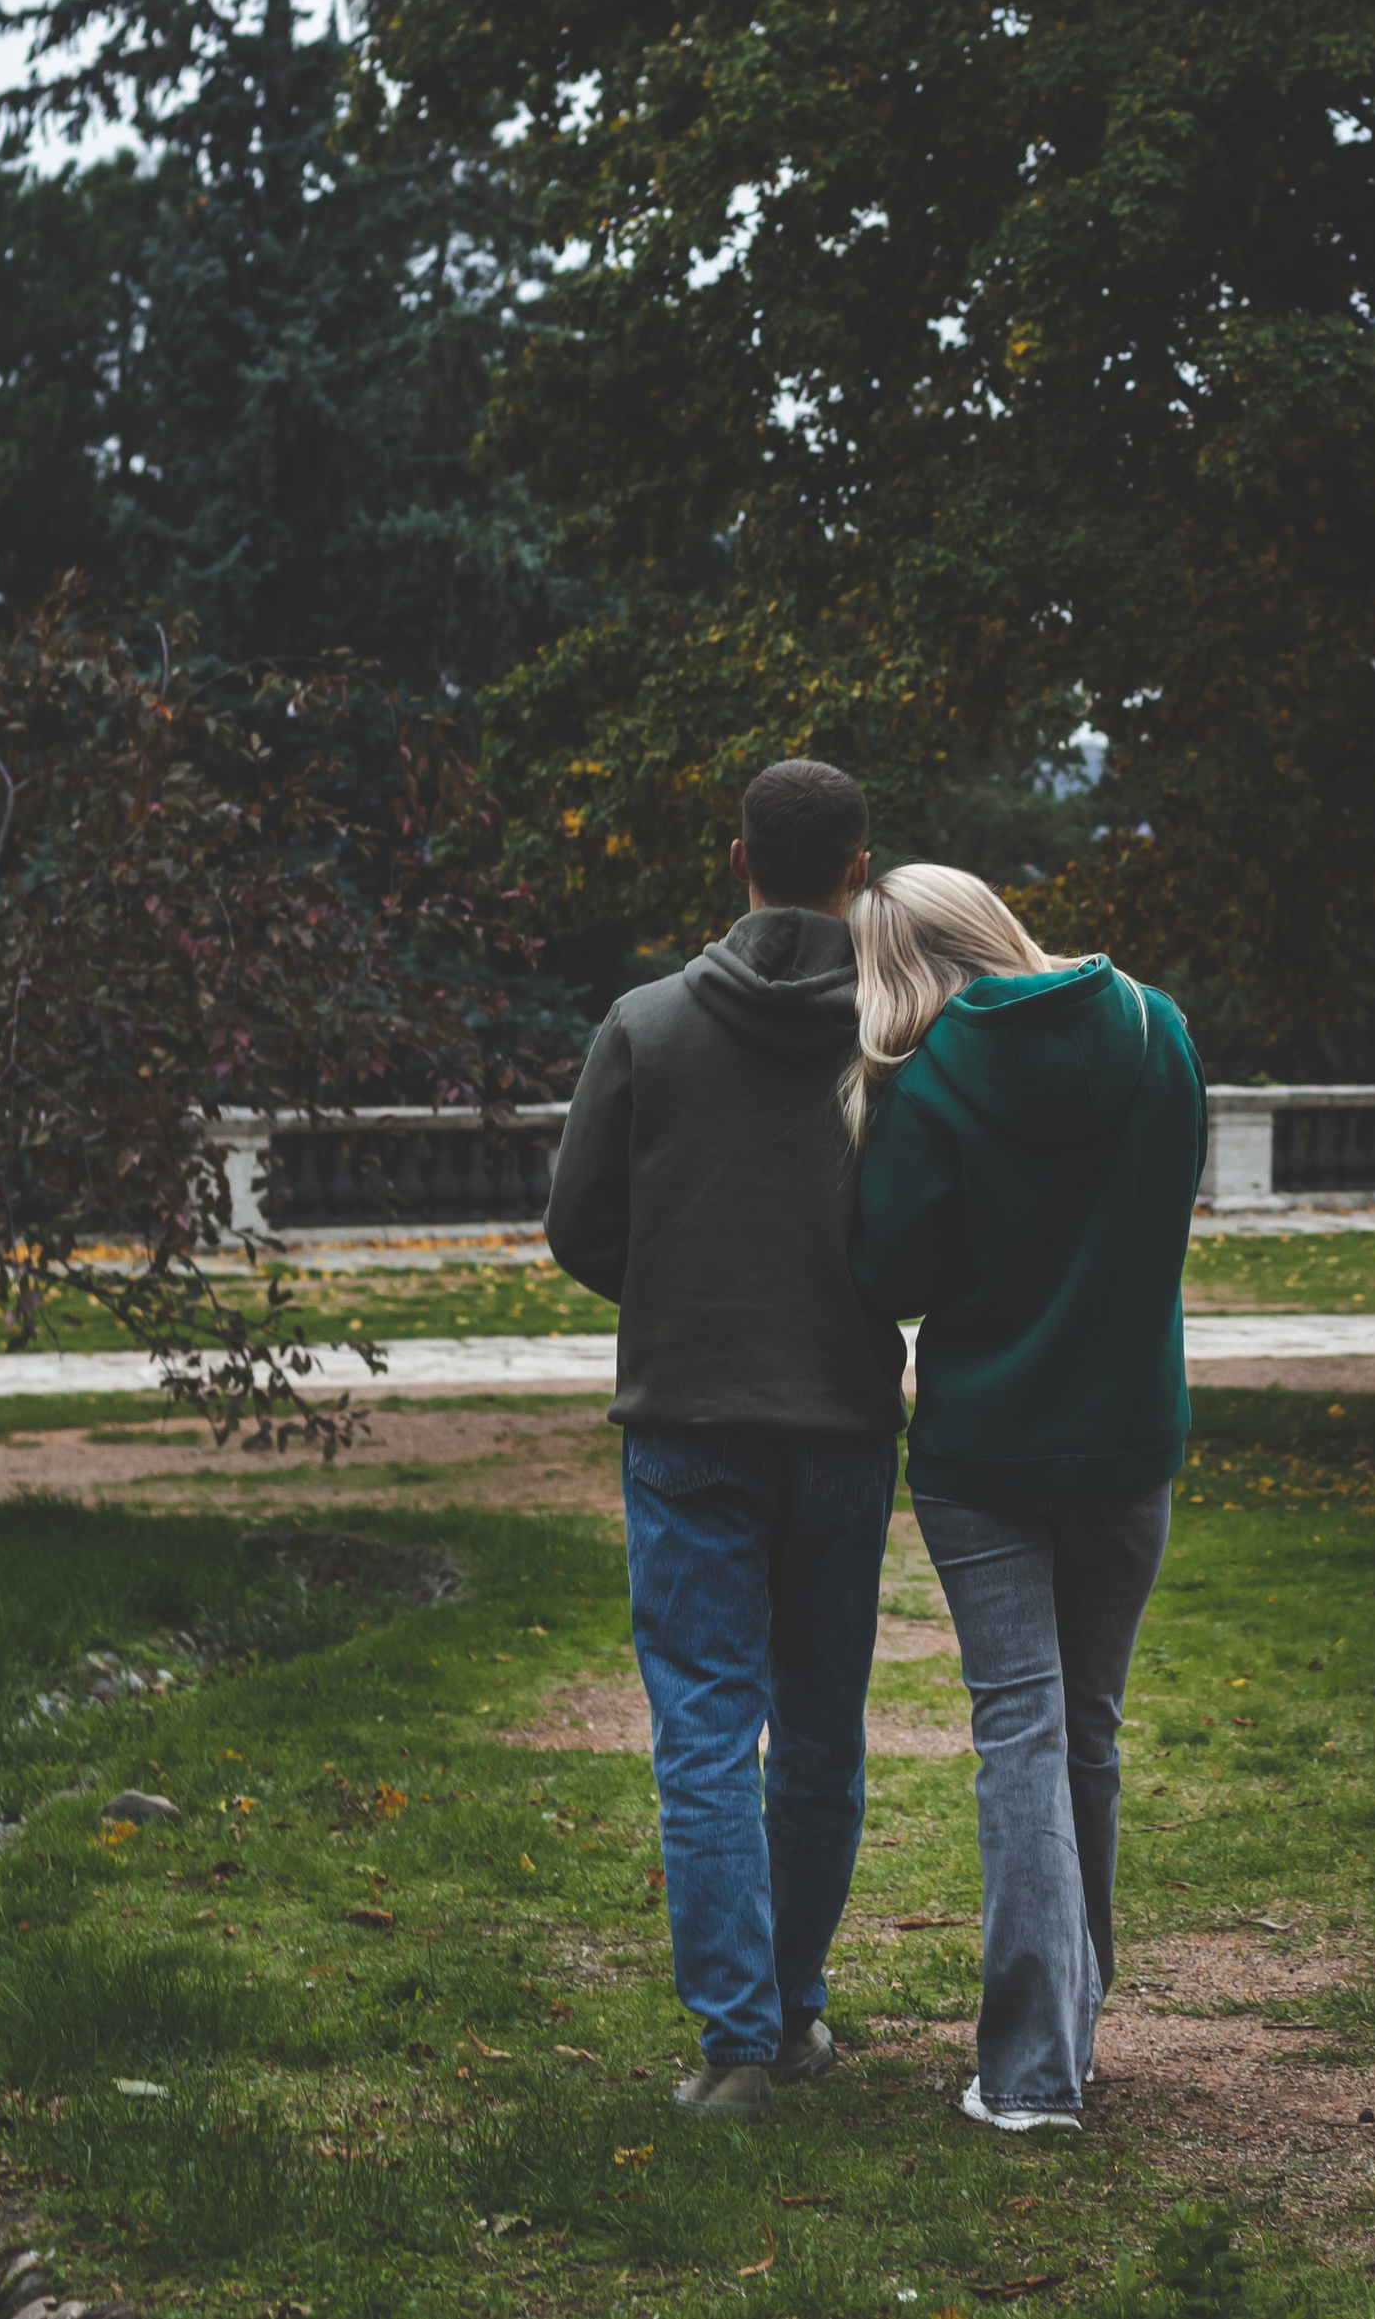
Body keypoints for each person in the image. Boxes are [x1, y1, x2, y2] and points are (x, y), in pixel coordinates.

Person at [545, 757, 903, 2123]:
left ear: (737, 857)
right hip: (841, 1418)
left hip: (688, 1416)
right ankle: (796, 2008)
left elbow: (581, 1228)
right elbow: (922, 1232)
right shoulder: (895, 1033)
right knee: (819, 1730)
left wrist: (684, 1291)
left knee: (704, 1729)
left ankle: (736, 2048)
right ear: (856, 868)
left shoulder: (643, 1025)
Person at [845, 863, 1204, 2132]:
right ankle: (1070, 2034)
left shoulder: (927, 1079)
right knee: (1087, 1734)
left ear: (910, 967)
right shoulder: (1161, 1030)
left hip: (985, 1449)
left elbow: (887, 1269)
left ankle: (1031, 2071)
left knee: (1023, 1736)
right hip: (1127, 1438)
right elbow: (1163, 1212)